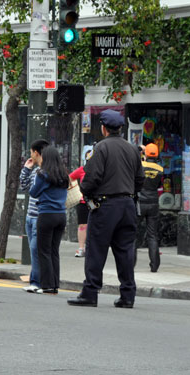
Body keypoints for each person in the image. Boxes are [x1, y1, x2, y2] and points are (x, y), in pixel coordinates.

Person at [67, 109, 145, 308]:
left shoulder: (100, 148)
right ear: (120, 128)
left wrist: (83, 192)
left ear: (103, 128)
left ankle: (90, 293)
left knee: (96, 250)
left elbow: (92, 178)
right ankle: (128, 295)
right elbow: (140, 179)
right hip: (127, 205)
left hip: (106, 206)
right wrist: (128, 194)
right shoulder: (132, 149)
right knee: (126, 251)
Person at [29, 145, 69, 295]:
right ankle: (54, 285)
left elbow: (33, 193)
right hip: (61, 215)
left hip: (46, 214)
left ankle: (46, 285)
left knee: (44, 251)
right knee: (54, 251)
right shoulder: (64, 175)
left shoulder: (43, 174)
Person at [19, 139, 49, 293]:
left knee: (35, 250)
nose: (30, 155)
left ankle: (36, 282)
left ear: (36, 153)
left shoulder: (45, 172)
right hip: (30, 216)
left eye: (31, 152)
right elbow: (23, 186)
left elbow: (34, 191)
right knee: (34, 250)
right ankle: (37, 281)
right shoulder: (35, 171)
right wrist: (26, 169)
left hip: (39, 216)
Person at [135, 143, 163, 272]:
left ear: (146, 154)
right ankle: (154, 265)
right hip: (153, 202)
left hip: (140, 202)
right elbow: (159, 186)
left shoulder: (141, 165)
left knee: (133, 234)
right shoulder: (160, 169)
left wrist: (140, 149)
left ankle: (131, 263)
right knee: (152, 235)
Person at [69, 149, 93, 258]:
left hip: (97, 201)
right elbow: (70, 177)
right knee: (83, 224)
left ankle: (92, 248)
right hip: (83, 201)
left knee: (95, 225)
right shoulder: (82, 170)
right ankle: (81, 248)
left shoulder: (102, 170)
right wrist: (75, 190)